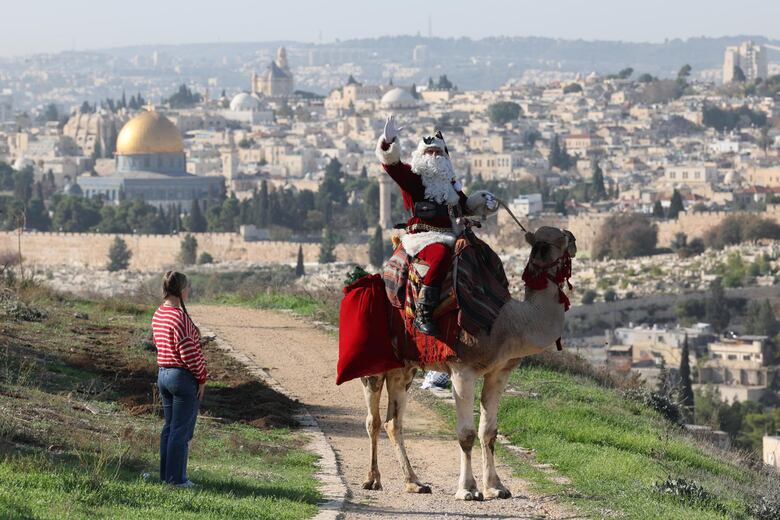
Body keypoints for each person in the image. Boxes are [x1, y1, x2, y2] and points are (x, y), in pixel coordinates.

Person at [376, 115, 498, 336]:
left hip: (454, 234)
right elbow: (392, 166)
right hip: (425, 237)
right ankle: (424, 312)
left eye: (438, 152)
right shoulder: (413, 178)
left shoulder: (449, 184)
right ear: (421, 156)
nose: (434, 156)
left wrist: (485, 202)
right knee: (440, 256)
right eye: (429, 152)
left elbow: (465, 205)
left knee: (485, 256)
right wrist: (388, 143)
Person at [152, 271, 207, 488]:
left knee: (169, 428)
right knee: (181, 431)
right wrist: (202, 378)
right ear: (182, 290)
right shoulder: (180, 318)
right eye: (187, 287)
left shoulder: (159, 313)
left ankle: (166, 476)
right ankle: (177, 480)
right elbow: (189, 354)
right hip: (182, 377)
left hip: (163, 374)